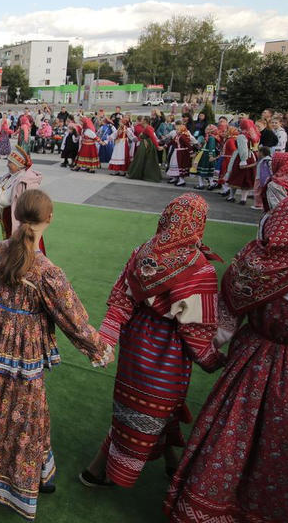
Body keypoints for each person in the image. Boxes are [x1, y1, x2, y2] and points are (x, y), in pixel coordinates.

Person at [0, 190, 113, 518]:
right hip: (23, 348)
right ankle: (18, 479)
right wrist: (99, 348)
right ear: (49, 218)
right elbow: (73, 319)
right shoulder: (47, 270)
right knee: (25, 412)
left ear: (16, 215)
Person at [164, 195, 288, 523]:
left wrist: (208, 353)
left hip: (249, 361)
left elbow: (223, 324)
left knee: (232, 435)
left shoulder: (248, 263)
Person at [81, 193, 224, 489]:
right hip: (167, 349)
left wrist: (106, 339)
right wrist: (213, 360)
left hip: (136, 340)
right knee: (151, 409)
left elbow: (121, 300)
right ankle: (101, 470)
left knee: (138, 406)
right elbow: (195, 330)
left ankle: (169, 462)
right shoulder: (199, 267)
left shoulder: (144, 251)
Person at [0, 148, 43, 239]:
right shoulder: (12, 175)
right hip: (10, 219)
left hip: (16, 223)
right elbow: (3, 189)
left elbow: (3, 200)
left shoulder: (21, 180)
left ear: (19, 165)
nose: (7, 165)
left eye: (10, 162)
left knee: (16, 243)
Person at [192, 125, 219, 190]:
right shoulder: (208, 137)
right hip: (204, 154)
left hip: (206, 155)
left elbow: (211, 147)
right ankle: (210, 184)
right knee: (207, 171)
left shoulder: (211, 137)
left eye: (207, 129)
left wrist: (210, 156)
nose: (206, 130)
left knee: (204, 170)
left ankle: (204, 184)